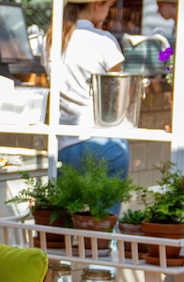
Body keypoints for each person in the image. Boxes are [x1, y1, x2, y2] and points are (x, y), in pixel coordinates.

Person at [41, 0, 129, 215]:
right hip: (104, 141)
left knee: (63, 222)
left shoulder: (52, 38)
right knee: (102, 223)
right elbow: (119, 93)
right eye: (109, 6)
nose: (109, 13)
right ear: (98, 4)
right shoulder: (103, 40)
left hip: (64, 143)